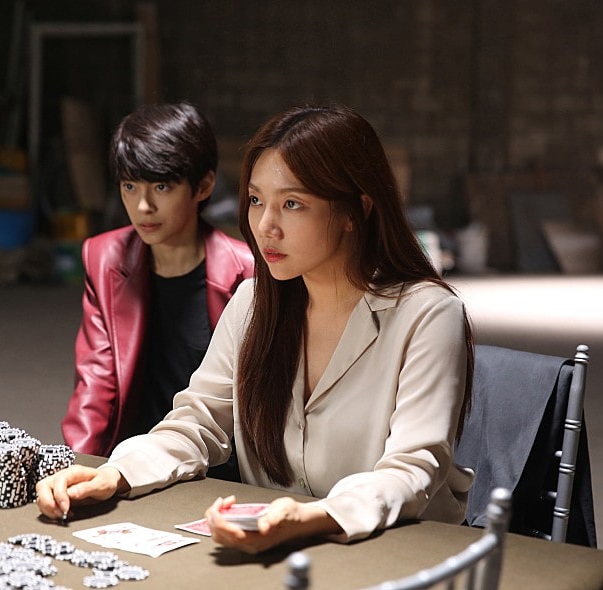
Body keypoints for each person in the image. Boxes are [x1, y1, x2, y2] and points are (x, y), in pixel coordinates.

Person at [38, 104, 475, 554]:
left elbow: (412, 468)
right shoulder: (252, 303)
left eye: (292, 204)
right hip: (278, 548)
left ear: (355, 210)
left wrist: (312, 518)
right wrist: (115, 473)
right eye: (255, 200)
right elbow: (197, 422)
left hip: (401, 552)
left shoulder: (428, 314)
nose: (265, 226)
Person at [60, 102, 254, 482]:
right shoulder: (105, 258)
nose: (143, 206)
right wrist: (77, 468)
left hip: (219, 464)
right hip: (133, 462)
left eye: (162, 187)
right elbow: (96, 383)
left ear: (204, 186)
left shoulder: (248, 273)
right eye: (130, 186)